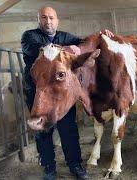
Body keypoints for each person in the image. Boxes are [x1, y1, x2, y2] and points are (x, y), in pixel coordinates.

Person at [21, 6, 114, 180]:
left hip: (62, 93)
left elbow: (84, 43)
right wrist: (69, 50)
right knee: (43, 130)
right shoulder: (29, 37)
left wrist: (100, 34)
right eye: (44, 18)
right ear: (38, 20)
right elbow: (43, 50)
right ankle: (49, 168)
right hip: (39, 94)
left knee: (69, 129)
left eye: (51, 18)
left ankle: (75, 166)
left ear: (57, 20)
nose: (48, 21)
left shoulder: (65, 36)